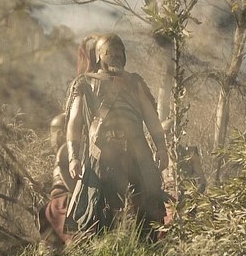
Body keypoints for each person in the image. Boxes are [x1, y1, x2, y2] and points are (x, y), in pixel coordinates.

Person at [64, 33, 169, 238]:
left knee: (148, 202)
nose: (116, 56)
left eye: (120, 52)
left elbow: (151, 117)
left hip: (138, 151)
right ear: (99, 56)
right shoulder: (85, 82)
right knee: (102, 209)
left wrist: (161, 147)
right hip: (104, 153)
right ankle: (106, 248)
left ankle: (146, 247)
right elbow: (74, 122)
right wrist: (73, 156)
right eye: (110, 52)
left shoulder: (135, 82)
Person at [37, 113, 76, 247]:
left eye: (52, 133)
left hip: (64, 203)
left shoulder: (66, 150)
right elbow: (59, 184)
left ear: (60, 133)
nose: (51, 138)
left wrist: (76, 197)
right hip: (57, 203)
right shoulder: (66, 151)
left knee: (72, 241)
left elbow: (66, 180)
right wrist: (43, 187)